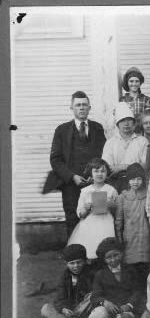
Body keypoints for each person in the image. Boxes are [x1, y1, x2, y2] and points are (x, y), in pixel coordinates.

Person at [44, 91, 106, 238]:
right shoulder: (62, 130)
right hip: (71, 185)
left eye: (85, 105)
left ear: (89, 107)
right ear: (71, 108)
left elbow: (105, 155)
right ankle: (76, 257)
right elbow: (55, 159)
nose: (82, 108)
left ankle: (96, 256)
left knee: (99, 216)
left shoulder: (98, 128)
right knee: (73, 219)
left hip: (96, 183)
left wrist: (97, 177)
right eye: (78, 105)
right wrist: (71, 176)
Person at [76, 237, 141, 318]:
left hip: (125, 308)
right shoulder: (100, 274)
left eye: (116, 255)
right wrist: (105, 302)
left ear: (121, 254)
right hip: (108, 308)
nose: (113, 260)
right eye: (109, 257)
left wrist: (129, 305)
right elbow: (95, 296)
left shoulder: (130, 270)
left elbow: (137, 291)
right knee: (98, 315)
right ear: (104, 259)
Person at [67, 158, 118, 261]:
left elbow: (118, 207)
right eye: (96, 171)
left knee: (106, 250)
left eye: (103, 171)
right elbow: (80, 213)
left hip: (106, 223)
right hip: (89, 225)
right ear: (91, 173)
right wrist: (86, 209)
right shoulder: (85, 191)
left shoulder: (111, 190)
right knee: (90, 251)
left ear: (107, 173)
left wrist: (110, 205)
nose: (99, 174)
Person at [115, 163, 150, 287]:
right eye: (132, 179)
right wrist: (119, 237)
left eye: (138, 179)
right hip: (129, 237)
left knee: (146, 265)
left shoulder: (148, 195)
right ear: (128, 180)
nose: (135, 182)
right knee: (130, 267)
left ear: (143, 179)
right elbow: (119, 219)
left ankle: (146, 293)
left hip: (145, 235)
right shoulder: (123, 197)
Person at [40, 244, 94, 318]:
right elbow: (59, 298)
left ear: (85, 261)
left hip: (86, 309)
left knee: (92, 296)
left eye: (79, 262)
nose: (76, 266)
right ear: (66, 264)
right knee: (45, 309)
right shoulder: (64, 277)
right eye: (72, 263)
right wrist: (63, 309)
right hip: (70, 310)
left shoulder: (90, 274)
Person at [102, 102, 148, 193]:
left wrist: (122, 167)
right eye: (122, 120)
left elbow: (145, 165)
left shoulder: (142, 141)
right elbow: (107, 167)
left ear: (134, 124)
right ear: (117, 124)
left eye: (129, 120)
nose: (126, 123)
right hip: (115, 184)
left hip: (136, 184)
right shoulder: (110, 142)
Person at [119, 67, 150, 133]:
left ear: (140, 83)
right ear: (127, 82)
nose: (134, 84)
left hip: (142, 132)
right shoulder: (123, 100)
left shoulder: (145, 99)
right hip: (127, 132)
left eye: (137, 81)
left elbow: (148, 117)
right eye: (131, 81)